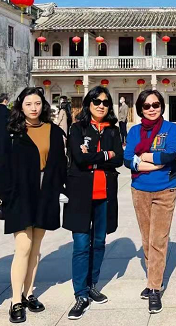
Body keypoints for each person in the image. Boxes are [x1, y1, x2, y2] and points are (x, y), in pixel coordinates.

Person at [0, 87, 68, 323]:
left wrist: (59, 189)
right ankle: (16, 300)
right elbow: (1, 165)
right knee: (23, 247)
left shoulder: (53, 131)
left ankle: (29, 293)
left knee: (36, 248)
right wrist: (6, 194)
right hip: (20, 194)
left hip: (45, 194)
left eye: (37, 103)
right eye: (28, 104)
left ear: (43, 105)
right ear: (21, 106)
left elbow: (60, 164)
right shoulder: (12, 132)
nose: (33, 108)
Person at [65, 86, 124, 320]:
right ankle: (80, 294)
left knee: (99, 242)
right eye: (97, 101)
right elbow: (79, 159)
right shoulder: (77, 128)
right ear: (88, 104)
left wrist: (96, 158)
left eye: (105, 102)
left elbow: (119, 159)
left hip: (105, 194)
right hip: (81, 194)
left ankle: (92, 285)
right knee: (81, 245)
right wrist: (106, 155)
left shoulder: (113, 130)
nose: (101, 105)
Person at [124, 90, 176, 314]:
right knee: (147, 239)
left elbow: (170, 155)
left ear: (161, 106)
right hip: (140, 190)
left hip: (164, 189)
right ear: (140, 109)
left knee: (158, 239)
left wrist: (145, 157)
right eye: (146, 106)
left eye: (155, 104)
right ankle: (154, 278)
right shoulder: (134, 131)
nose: (151, 109)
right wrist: (153, 163)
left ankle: (155, 288)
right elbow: (128, 159)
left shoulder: (170, 128)